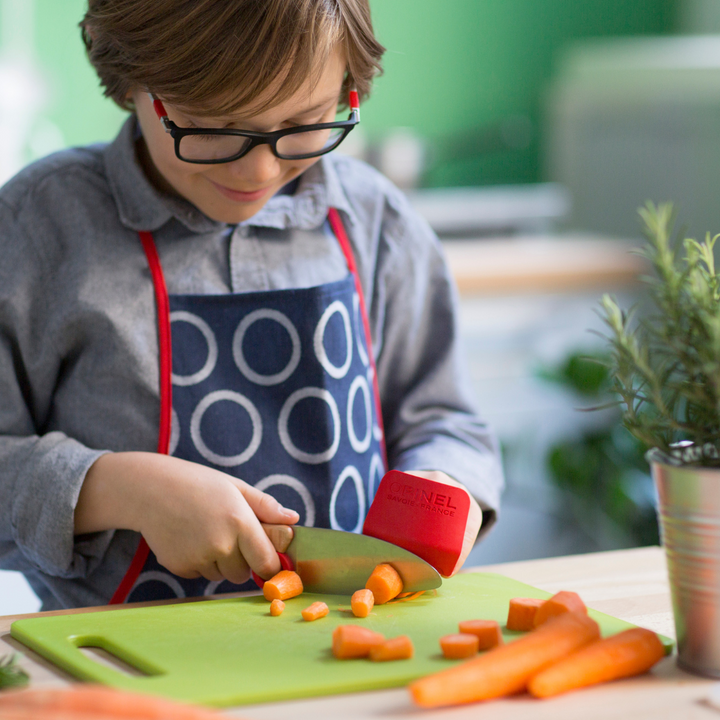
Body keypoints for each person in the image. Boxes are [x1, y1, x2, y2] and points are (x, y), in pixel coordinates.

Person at [0, 0, 504, 610]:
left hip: (352, 640)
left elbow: (445, 422)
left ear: (350, 86)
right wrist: (119, 490)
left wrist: (446, 487)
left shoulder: (376, 225)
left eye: (307, 121)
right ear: (131, 77)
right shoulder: (40, 228)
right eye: (214, 127)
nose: (260, 168)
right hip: (116, 665)